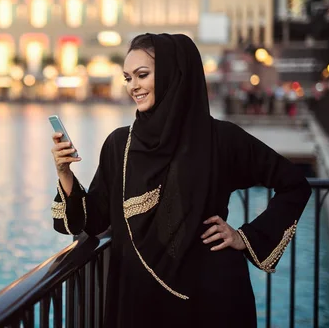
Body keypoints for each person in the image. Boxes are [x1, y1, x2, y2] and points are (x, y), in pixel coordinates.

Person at [49, 33, 311, 328]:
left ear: (174, 74)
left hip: (213, 299)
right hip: (139, 304)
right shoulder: (119, 145)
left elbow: (294, 184)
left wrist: (244, 237)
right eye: (127, 78)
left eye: (142, 75)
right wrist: (64, 173)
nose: (133, 86)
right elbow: (93, 220)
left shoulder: (220, 139)